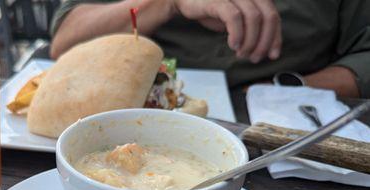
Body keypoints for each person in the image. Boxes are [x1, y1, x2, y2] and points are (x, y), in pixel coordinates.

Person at [49, 0, 370, 98]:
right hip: (133, 112)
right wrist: (168, 4)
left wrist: (284, 90)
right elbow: (66, 42)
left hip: (284, 133)